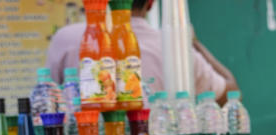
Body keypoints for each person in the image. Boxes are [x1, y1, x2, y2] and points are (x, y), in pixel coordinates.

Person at [45, 0, 238, 105]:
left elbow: (49, 103)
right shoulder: (173, 47)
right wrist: (194, 43)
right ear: (150, 3)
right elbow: (231, 93)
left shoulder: (66, 39)